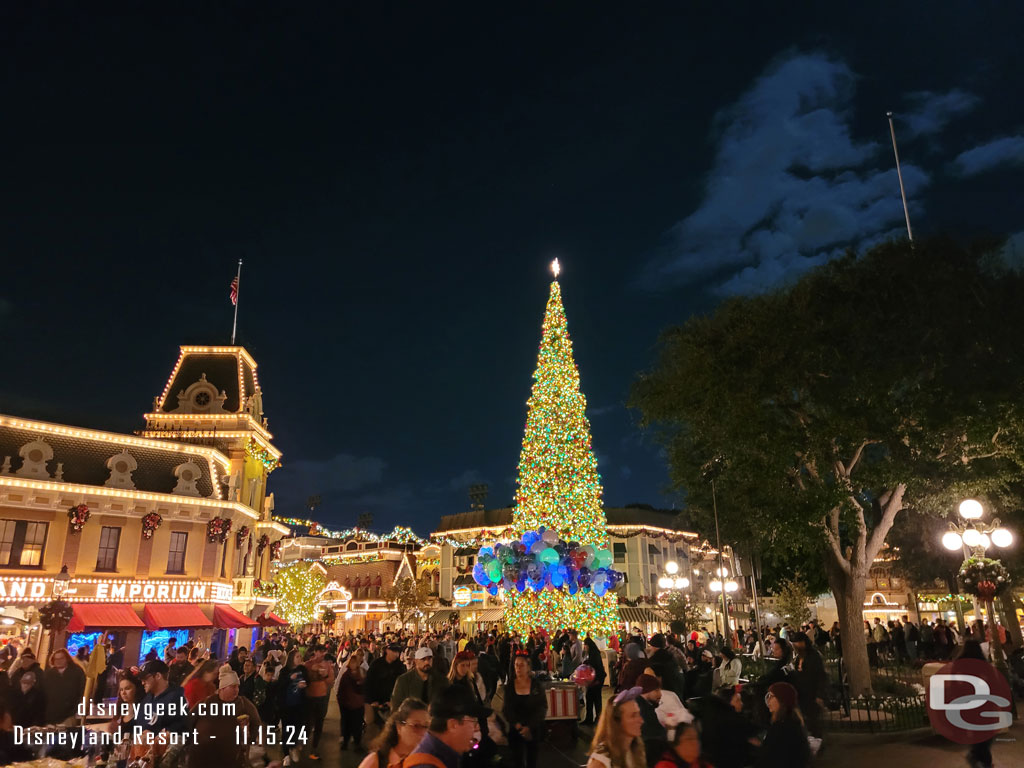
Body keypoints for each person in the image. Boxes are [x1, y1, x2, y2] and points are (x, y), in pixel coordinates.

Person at [188, 664, 262, 768]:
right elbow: (188, 722)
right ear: (222, 688)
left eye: (238, 686)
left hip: (233, 758)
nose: (236, 690)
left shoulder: (243, 704)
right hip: (206, 758)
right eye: (233, 686)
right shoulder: (206, 703)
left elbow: (256, 722)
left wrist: (248, 739)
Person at [403, 686, 489, 768]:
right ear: (453, 725)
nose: (476, 728)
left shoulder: (442, 757)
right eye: (473, 721)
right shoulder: (426, 765)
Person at [502, 653, 547, 768]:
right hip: (515, 730)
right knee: (517, 761)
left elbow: (541, 707)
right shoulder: (510, 686)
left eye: (521, 665)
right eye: (516, 665)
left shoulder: (536, 686)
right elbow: (507, 708)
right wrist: (518, 726)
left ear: (528, 667)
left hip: (533, 730)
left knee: (532, 760)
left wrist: (529, 727)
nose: (518, 668)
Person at [357, 697, 430, 768]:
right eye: (416, 726)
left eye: (426, 726)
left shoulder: (427, 761)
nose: (423, 732)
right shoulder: (377, 761)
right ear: (399, 727)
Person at [586, 687, 646, 768]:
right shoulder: (602, 760)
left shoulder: (634, 748)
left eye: (638, 714)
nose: (641, 721)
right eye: (633, 716)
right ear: (617, 722)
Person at [756, 682, 810, 768]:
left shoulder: (782, 727)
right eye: (768, 696)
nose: (768, 700)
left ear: (782, 700)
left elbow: (771, 758)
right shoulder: (791, 722)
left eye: (771, 696)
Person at [135, 659, 190, 734]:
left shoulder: (176, 699)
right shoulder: (147, 698)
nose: (142, 682)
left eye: (145, 678)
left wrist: (159, 735)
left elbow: (180, 728)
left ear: (158, 676)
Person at [790, 632, 827, 738]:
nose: (796, 646)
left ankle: (817, 740)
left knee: (814, 721)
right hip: (802, 693)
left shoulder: (813, 656)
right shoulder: (799, 657)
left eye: (797, 643)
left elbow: (820, 675)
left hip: (812, 692)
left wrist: (820, 695)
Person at [365, 643, 407, 735]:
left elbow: (403, 685)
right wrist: (372, 701)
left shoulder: (400, 667)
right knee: (372, 726)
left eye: (397, 652)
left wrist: (394, 701)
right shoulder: (376, 664)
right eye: (394, 651)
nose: (396, 654)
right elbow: (368, 683)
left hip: (392, 703)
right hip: (375, 702)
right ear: (387, 651)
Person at [304, 644, 336, 760]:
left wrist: (325, 675)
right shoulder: (308, 664)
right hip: (309, 696)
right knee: (308, 722)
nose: (322, 654)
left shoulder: (327, 665)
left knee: (319, 722)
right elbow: (303, 676)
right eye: (320, 652)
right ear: (315, 652)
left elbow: (331, 680)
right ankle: (303, 744)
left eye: (324, 652)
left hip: (321, 696)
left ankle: (314, 748)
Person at [106, 671, 143, 768]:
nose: (123, 692)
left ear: (136, 688)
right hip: (120, 757)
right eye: (121, 689)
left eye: (127, 688)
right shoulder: (123, 709)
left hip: (134, 759)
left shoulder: (142, 710)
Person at [280, 649, 310, 765]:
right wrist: (289, 679)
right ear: (291, 658)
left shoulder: (302, 670)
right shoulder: (284, 671)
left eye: (300, 656)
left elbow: (307, 681)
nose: (299, 658)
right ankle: (286, 753)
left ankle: (293, 747)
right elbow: (280, 686)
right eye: (297, 656)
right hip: (287, 705)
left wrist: (304, 684)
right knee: (287, 729)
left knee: (297, 727)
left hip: (299, 704)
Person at [43, 648, 86, 725]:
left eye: (61, 658)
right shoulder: (49, 674)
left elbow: (82, 690)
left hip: (69, 714)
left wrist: (77, 707)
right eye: (56, 659)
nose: (59, 661)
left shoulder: (77, 672)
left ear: (67, 658)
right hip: (50, 716)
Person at [635, 675, 666, 767]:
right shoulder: (643, 710)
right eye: (656, 690)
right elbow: (654, 735)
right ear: (646, 690)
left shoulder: (643, 705)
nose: (660, 694)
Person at [338, 652, 366, 750]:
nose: (354, 664)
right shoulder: (346, 675)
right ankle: (345, 741)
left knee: (357, 725)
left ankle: (357, 743)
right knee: (347, 724)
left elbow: (364, 687)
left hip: (358, 704)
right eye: (352, 662)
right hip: (347, 704)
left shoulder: (361, 673)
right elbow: (341, 690)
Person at [582, 637, 608, 725]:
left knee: (595, 699)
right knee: (590, 699)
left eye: (585, 645)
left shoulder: (594, 654)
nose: (584, 647)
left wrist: (587, 663)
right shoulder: (592, 653)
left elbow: (595, 666)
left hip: (596, 680)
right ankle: (590, 718)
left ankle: (597, 718)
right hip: (593, 680)